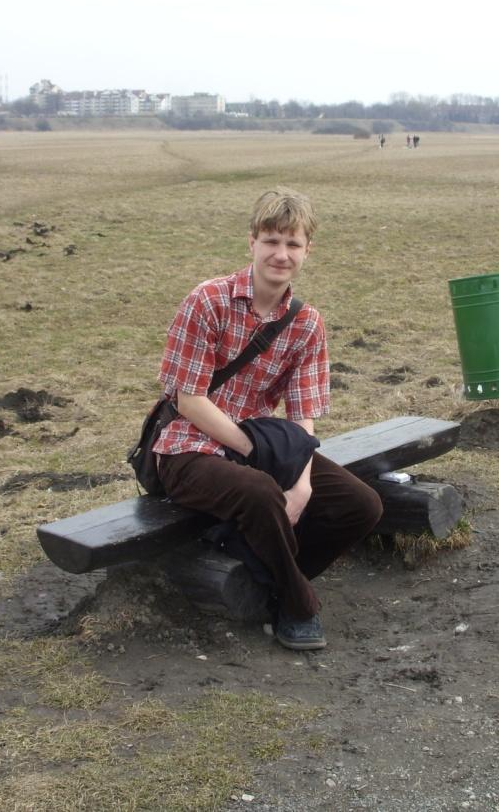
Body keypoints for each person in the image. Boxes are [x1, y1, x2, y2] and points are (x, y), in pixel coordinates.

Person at [153, 187, 382, 650]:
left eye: (293, 244)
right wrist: (254, 454)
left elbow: (303, 416)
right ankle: (296, 604)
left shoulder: (307, 324)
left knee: (362, 505)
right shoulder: (208, 301)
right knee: (260, 491)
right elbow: (188, 400)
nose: (281, 255)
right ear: (252, 243)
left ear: (307, 251)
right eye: (271, 241)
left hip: (260, 442)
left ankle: (263, 578)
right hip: (185, 446)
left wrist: (301, 483)